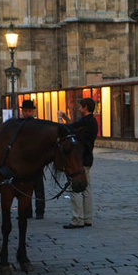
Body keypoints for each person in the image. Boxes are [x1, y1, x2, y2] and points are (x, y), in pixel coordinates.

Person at [58, 98, 98, 229]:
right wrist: (66, 118)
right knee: (87, 189)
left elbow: (69, 129)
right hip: (88, 158)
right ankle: (87, 218)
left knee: (76, 188)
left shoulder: (86, 121)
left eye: (80, 107)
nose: (79, 109)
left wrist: (60, 120)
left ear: (86, 107)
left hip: (79, 160)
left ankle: (77, 219)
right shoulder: (91, 121)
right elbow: (75, 127)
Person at [21, 100, 45, 220]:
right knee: (25, 188)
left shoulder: (38, 126)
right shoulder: (19, 125)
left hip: (36, 161)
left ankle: (40, 211)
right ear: (22, 112)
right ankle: (26, 210)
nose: (27, 113)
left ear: (33, 112)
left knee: (38, 187)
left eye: (29, 111)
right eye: (25, 111)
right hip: (23, 162)